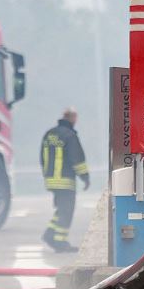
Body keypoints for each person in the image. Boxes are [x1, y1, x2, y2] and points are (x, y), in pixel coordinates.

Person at [39, 107, 89, 253]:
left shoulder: (50, 134)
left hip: (51, 180)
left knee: (61, 209)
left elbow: (42, 157)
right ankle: (60, 242)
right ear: (73, 118)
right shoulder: (70, 135)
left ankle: (49, 234)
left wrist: (47, 175)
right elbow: (77, 158)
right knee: (67, 211)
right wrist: (85, 177)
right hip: (65, 181)